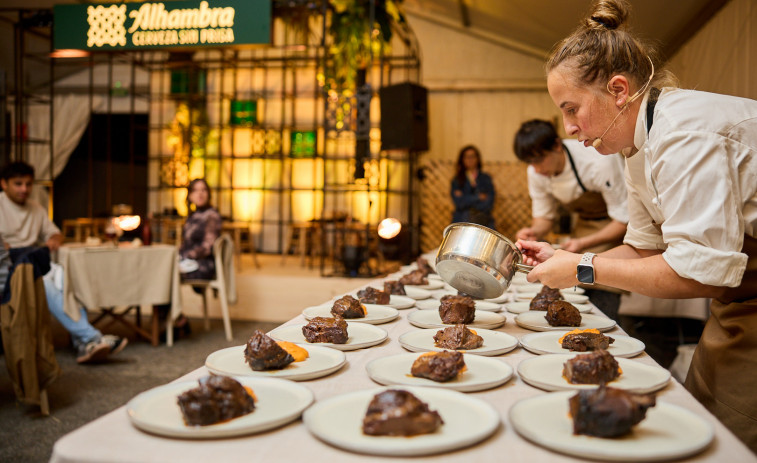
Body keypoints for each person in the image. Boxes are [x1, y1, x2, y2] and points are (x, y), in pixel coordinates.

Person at [516, 0, 757, 450]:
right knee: (702, 409)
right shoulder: (634, 148)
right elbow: (645, 248)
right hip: (739, 302)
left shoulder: (684, 133)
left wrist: (584, 267)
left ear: (619, 90)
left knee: (732, 433)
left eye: (572, 109)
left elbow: (695, 271)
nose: (568, 128)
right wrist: (565, 258)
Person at [0, 161, 127, 364]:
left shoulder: (36, 208)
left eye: (28, 184)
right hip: (9, 271)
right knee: (44, 282)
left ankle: (84, 343)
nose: (24, 189)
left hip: (35, 261)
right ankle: (91, 338)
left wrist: (53, 240)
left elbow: (55, 233)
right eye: (18, 184)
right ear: (4, 184)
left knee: (69, 278)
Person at [513, 119, 628, 319]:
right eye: (530, 163)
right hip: (582, 229)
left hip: (614, 231)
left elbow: (624, 220)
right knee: (577, 298)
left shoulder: (599, 162)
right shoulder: (536, 171)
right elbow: (544, 218)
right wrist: (534, 232)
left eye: (540, 160)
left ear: (557, 145)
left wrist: (583, 243)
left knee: (603, 297)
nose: (536, 169)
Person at [158, 178, 222, 334]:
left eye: (204, 190)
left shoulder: (212, 215)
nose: (200, 194)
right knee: (161, 272)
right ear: (190, 196)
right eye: (195, 190)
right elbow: (185, 244)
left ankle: (171, 321)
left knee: (166, 275)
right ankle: (174, 319)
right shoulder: (193, 216)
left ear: (209, 194)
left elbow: (207, 247)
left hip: (204, 265)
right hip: (189, 262)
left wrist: (185, 255)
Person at [450, 145, 496, 229]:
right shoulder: (457, 180)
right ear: (462, 160)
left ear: (478, 158)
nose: (470, 159)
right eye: (467, 157)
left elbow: (489, 203)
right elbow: (459, 203)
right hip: (462, 223)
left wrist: (466, 198)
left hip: (483, 222)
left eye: (472, 156)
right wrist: (478, 197)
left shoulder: (485, 179)